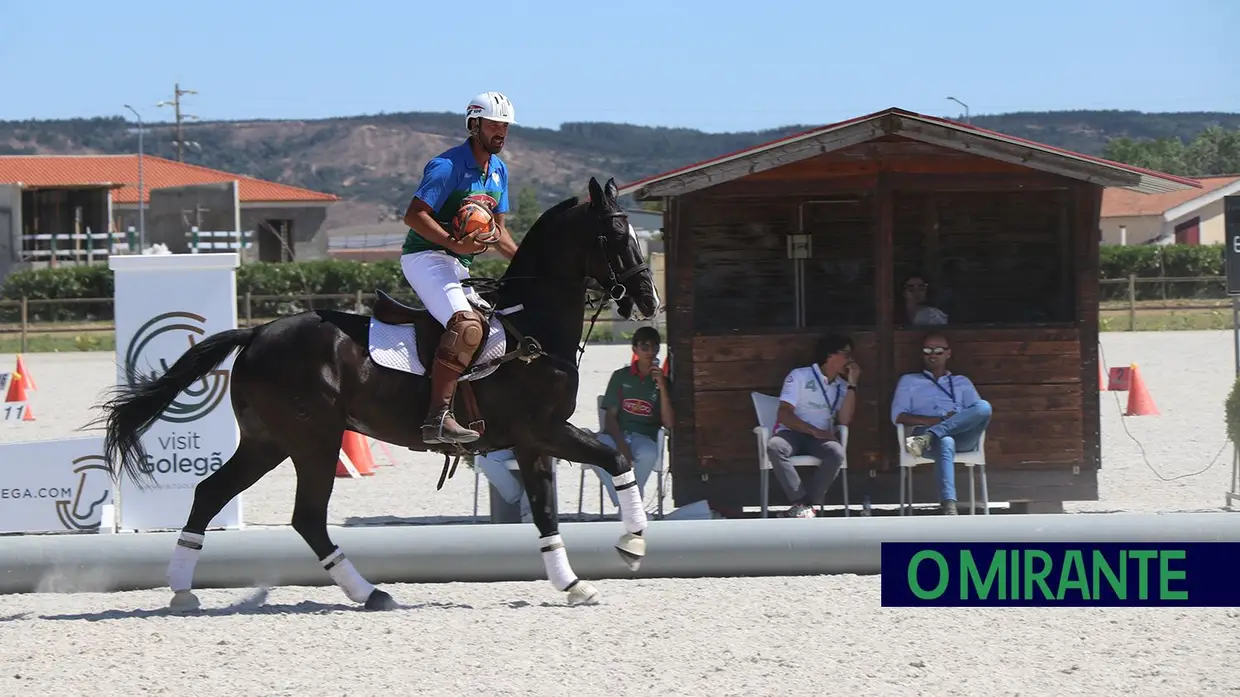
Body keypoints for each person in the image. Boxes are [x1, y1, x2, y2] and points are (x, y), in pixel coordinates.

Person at [400, 91, 522, 445]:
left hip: (458, 264)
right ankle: (437, 418)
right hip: (425, 257)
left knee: (501, 325)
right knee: (466, 326)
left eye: (505, 126)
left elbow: (497, 232)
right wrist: (452, 243)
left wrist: (525, 263)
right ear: (474, 124)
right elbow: (413, 215)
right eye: (494, 124)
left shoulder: (499, 171)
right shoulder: (447, 166)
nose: (501, 131)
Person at [890, 331, 992, 515]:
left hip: (960, 437)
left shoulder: (962, 382)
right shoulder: (909, 381)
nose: (932, 355)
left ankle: (934, 433)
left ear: (948, 353)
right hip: (917, 441)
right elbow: (898, 416)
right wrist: (936, 421)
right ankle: (949, 505)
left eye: (938, 350)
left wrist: (946, 424)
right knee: (946, 441)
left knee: (984, 406)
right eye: (928, 350)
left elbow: (977, 412)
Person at [767, 333, 859, 518]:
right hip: (793, 432)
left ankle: (807, 505)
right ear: (830, 355)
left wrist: (852, 385)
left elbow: (844, 420)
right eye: (846, 355)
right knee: (775, 447)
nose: (850, 361)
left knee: (837, 453)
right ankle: (802, 502)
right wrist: (814, 431)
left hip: (821, 437)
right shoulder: (800, 376)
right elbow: (784, 413)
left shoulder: (841, 385)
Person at [592, 326, 673, 510]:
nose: (650, 352)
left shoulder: (663, 381)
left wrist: (663, 387)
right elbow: (610, 419)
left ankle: (627, 503)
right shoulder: (621, 377)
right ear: (635, 349)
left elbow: (668, 423)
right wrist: (622, 447)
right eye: (645, 347)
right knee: (593, 451)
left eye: (655, 347)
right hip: (618, 434)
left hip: (645, 437)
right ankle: (629, 502)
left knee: (649, 454)